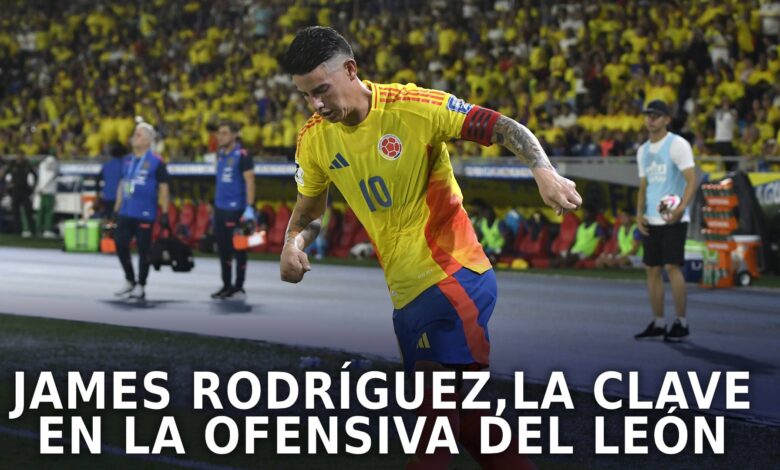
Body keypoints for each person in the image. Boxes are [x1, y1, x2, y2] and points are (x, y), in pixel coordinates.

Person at [278, 26, 581, 469]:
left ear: (350, 70)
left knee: (433, 430)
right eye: (307, 96)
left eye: (321, 90)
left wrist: (543, 170)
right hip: (407, 293)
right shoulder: (313, 140)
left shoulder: (413, 107)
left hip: (454, 278)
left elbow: (501, 126)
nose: (316, 104)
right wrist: (292, 243)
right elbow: (309, 213)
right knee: (474, 423)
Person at [634, 100, 697, 341]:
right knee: (652, 270)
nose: (651, 119)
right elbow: (643, 186)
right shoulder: (643, 150)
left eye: (657, 115)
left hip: (673, 218)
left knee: (672, 267)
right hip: (651, 217)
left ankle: (681, 322)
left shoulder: (677, 145)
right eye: (649, 115)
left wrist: (682, 208)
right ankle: (659, 322)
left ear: (667, 119)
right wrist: (639, 213)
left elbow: (692, 179)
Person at [113, 121, 170, 301]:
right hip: (126, 210)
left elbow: (164, 188)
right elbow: (122, 185)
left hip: (145, 212)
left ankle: (141, 284)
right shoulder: (128, 160)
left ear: (147, 141)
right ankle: (130, 279)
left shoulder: (156, 161)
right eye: (134, 134)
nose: (133, 138)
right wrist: (116, 208)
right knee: (120, 243)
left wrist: (165, 212)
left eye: (138, 135)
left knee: (143, 249)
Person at [211, 121, 255, 300]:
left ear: (235, 135)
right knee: (223, 250)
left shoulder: (243, 155)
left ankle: (239, 287)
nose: (220, 137)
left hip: (236, 210)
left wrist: (249, 208)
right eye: (219, 133)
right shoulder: (220, 154)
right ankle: (226, 285)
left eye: (224, 133)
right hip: (220, 210)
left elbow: (250, 181)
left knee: (239, 250)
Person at [6, 154, 37, 237]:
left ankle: (32, 230)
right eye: (18, 157)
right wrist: (8, 186)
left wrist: (32, 187)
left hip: (24, 190)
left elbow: (35, 176)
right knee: (15, 212)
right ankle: (17, 231)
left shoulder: (27, 166)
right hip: (15, 191)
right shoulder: (12, 165)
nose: (19, 158)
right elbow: (5, 175)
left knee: (28, 211)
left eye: (20, 157)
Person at [98, 142, 126, 219]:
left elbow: (98, 180)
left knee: (108, 221)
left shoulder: (106, 165)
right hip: (119, 199)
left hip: (107, 197)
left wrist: (98, 194)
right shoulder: (125, 165)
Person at [34, 153, 59, 238]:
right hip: (49, 190)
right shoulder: (52, 161)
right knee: (48, 211)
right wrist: (42, 188)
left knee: (41, 211)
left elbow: (40, 177)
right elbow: (50, 176)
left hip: (43, 190)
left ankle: (39, 229)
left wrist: (39, 188)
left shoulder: (42, 163)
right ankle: (47, 230)